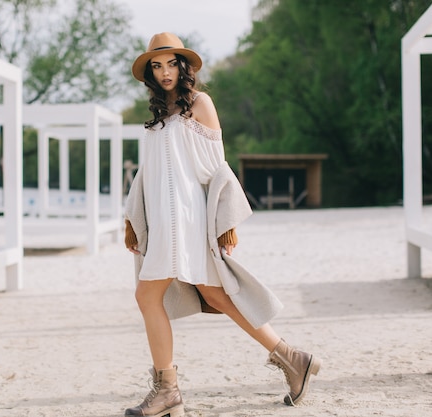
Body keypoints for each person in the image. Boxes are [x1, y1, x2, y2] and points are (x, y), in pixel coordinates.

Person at [123, 32, 321, 417]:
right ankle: (292, 359)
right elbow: (147, 173)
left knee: (148, 297)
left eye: (171, 63)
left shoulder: (200, 103)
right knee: (216, 296)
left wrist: (225, 222)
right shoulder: (158, 114)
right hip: (164, 220)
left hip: (188, 219)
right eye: (157, 66)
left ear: (184, 66)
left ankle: (167, 391)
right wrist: (133, 217)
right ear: (150, 72)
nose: (165, 72)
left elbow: (217, 169)